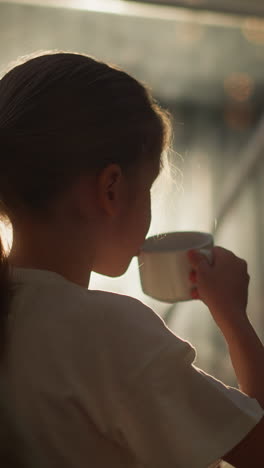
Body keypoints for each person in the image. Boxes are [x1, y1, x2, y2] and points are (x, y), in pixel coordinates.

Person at [0, 51, 263, 468]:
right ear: (111, 190)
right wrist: (234, 317)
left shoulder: (17, 314)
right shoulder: (108, 331)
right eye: (149, 190)